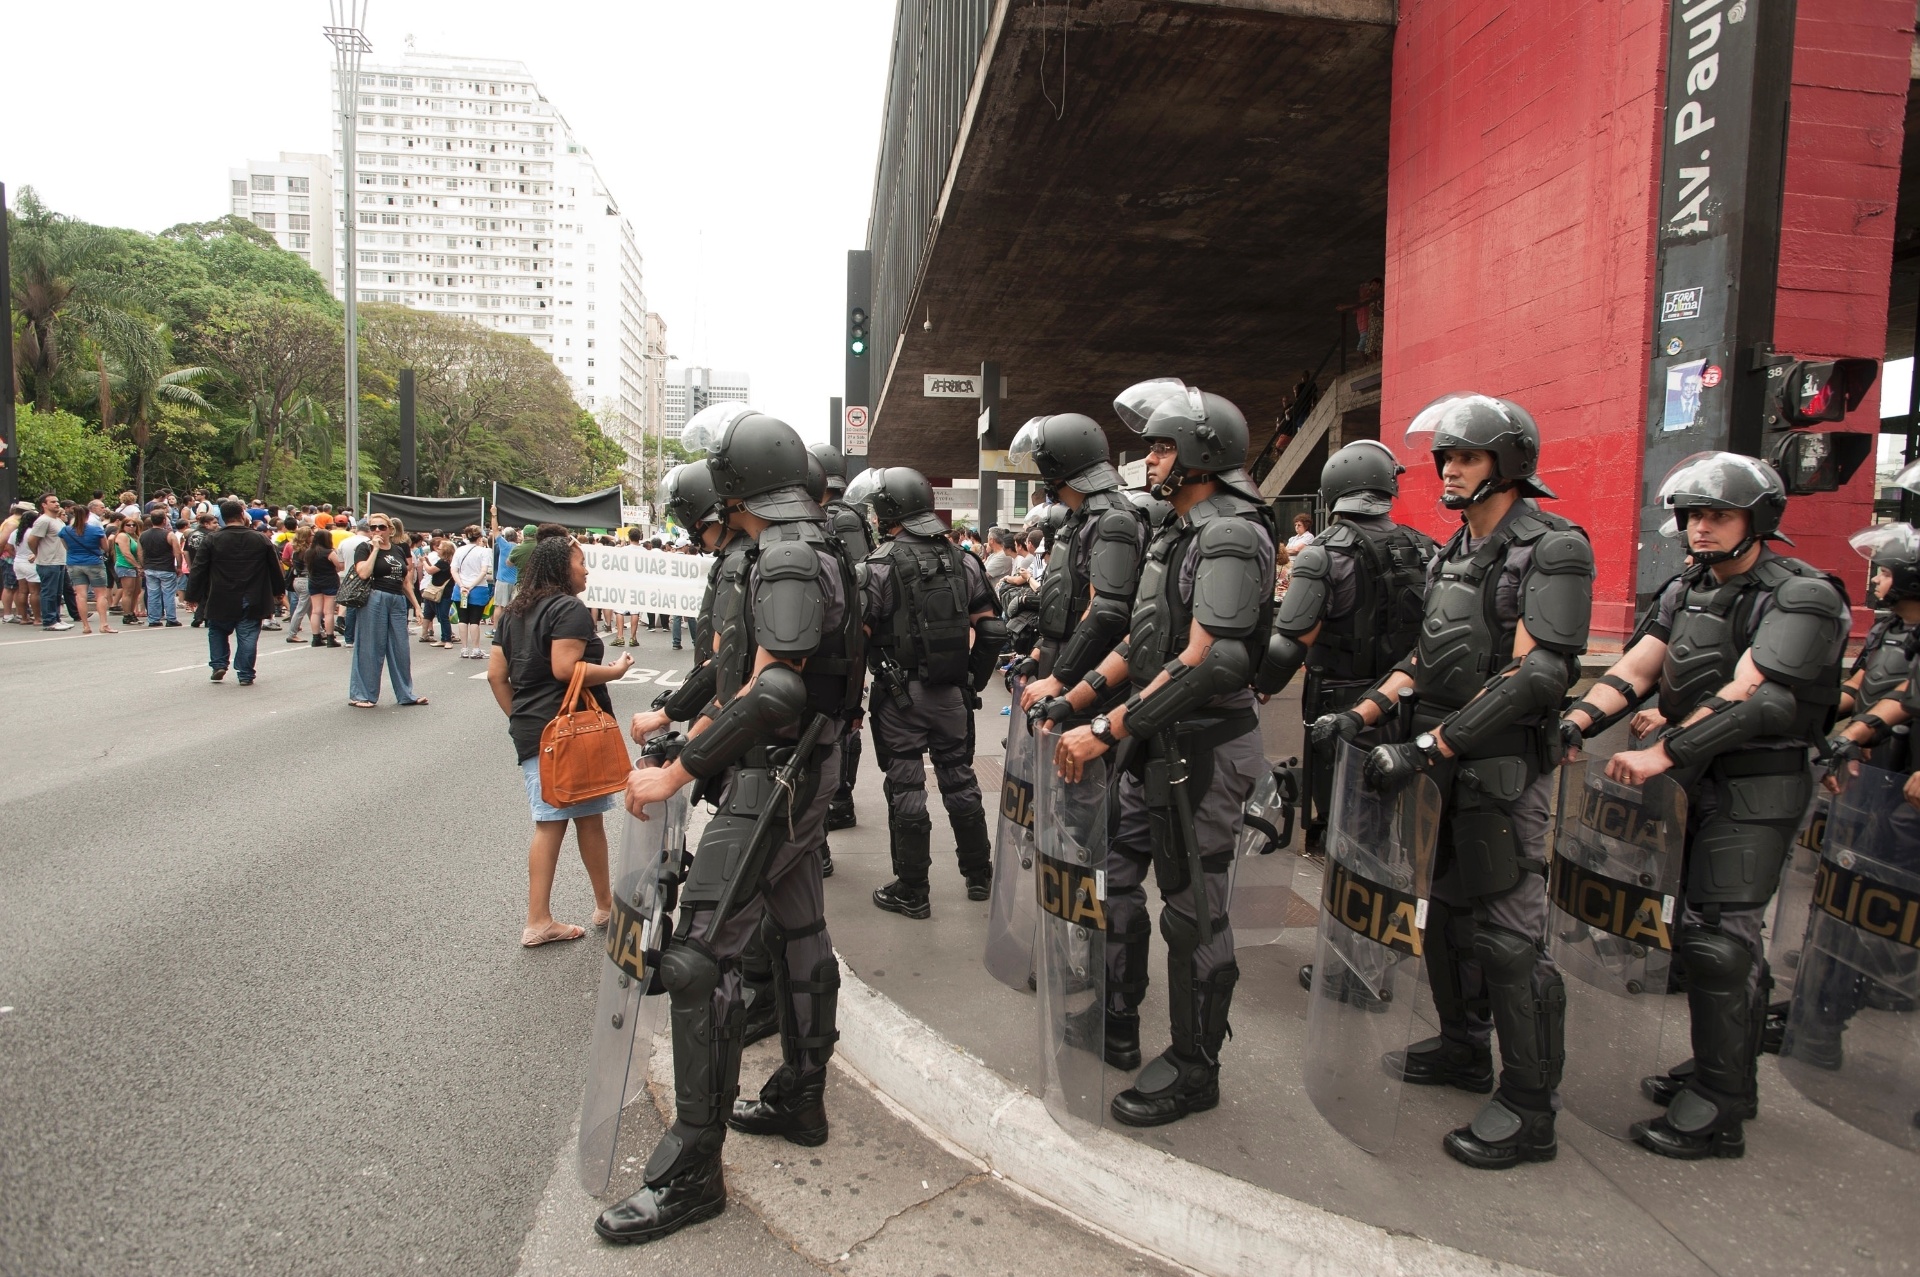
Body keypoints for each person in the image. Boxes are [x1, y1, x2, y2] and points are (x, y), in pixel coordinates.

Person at [596, 409, 859, 1245]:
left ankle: (691, 1172)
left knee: (696, 957)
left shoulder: (783, 552)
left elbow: (776, 691)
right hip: (796, 768)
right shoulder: (802, 545)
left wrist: (681, 765)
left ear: (738, 482)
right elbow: (745, 672)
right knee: (799, 922)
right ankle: (802, 1094)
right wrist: (690, 727)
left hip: (776, 773)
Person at [1320, 393, 1593, 1170]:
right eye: (1443, 458)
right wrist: (1365, 711)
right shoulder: (1455, 549)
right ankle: (1464, 1045)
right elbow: (1426, 657)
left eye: (1465, 458)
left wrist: (1434, 742)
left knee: (1510, 942)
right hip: (1441, 766)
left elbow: (1540, 672)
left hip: (1502, 767)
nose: (1448, 470)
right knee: (1445, 919)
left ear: (1506, 464)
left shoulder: (1552, 546)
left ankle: (1530, 1107)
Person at [1563, 452, 1845, 1160]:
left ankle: (1720, 1107)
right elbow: (1636, 669)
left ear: (1759, 518)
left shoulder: (1801, 593)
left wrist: (1668, 751)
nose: (1700, 528)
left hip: (1760, 778)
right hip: (1698, 779)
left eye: (1717, 514)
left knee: (1721, 939)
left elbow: (1757, 693)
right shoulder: (1686, 590)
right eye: (1692, 515)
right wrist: (1573, 723)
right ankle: (1727, 1071)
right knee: (1704, 933)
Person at [1038, 378, 1275, 1127]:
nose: (1149, 459)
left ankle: (1195, 1064)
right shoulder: (1176, 528)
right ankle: (1119, 1018)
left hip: (1202, 749)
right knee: (1115, 878)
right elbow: (1145, 647)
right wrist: (1075, 698)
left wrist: (1108, 729)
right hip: (1155, 739)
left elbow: (1213, 660)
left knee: (1193, 909)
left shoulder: (1232, 532)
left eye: (1164, 446)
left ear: (1204, 454)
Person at [1260, 440, 1436, 855]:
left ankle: (1356, 897)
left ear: (1333, 488)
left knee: (1349, 817)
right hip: (1408, 698)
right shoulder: (1427, 546)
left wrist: (1261, 682)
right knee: (1401, 814)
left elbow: (1290, 643)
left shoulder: (1323, 554)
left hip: (1340, 701)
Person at [848, 467, 1002, 916]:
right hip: (953, 695)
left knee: (907, 787)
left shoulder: (875, 566)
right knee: (960, 779)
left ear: (890, 512)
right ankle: (979, 875)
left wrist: (848, 707)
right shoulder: (965, 560)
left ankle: (913, 890)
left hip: (899, 698)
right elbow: (991, 630)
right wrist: (970, 680)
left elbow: (857, 645)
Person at [487, 535, 627, 947]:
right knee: (566, 822)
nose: (586, 569)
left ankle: (601, 903)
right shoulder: (569, 608)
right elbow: (567, 668)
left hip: (536, 728)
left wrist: (521, 718)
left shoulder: (513, 612)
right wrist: (615, 671)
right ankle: (543, 918)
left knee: (570, 818)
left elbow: (498, 675)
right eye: (581, 562)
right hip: (569, 730)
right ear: (562, 568)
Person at [810, 442, 877, 834]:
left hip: (839, 634)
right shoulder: (847, 516)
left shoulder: (842, 519)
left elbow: (858, 579)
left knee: (842, 718)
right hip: (843, 633)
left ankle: (840, 798)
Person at [181, 499, 287, 686]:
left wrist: (192, 595)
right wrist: (279, 591)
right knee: (247, 634)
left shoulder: (212, 539)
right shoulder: (260, 539)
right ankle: (245, 673)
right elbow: (274, 568)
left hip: (221, 593)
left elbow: (199, 568)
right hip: (252, 594)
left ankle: (219, 663)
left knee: (217, 630)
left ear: (222, 517)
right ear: (241, 515)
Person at [347, 515, 427, 708]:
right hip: (374, 597)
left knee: (401, 648)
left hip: (397, 599)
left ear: (390, 529)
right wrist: (374, 548)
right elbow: (364, 573)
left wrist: (416, 606)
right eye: (372, 527)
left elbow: (405, 581)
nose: (376, 531)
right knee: (370, 647)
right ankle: (362, 695)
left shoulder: (398, 549)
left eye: (381, 527)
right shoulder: (364, 548)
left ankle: (406, 694)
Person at [59, 504, 115, 634]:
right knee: (100, 594)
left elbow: (66, 547)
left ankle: (85, 626)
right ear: (87, 515)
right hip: (94, 562)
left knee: (80, 595)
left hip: (74, 563)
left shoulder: (65, 530)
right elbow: (105, 548)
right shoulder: (96, 530)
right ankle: (103, 624)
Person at [26, 493, 72, 631]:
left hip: (59, 561)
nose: (57, 504)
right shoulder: (43, 520)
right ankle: (49, 620)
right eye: (52, 502)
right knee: (49, 592)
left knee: (58, 593)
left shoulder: (58, 520)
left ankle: (56, 618)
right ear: (44, 505)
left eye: (57, 501)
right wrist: (37, 553)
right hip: (48, 562)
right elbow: (32, 540)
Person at [452, 525, 494, 658]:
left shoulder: (459, 550)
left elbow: (454, 570)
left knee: (462, 618)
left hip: (460, 588)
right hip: (478, 589)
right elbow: (483, 571)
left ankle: (464, 649)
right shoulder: (484, 551)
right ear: (480, 537)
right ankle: (476, 649)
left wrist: (462, 585)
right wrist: (471, 586)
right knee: (475, 620)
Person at [305, 530, 343, 647]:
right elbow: (340, 566)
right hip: (329, 582)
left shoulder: (309, 552)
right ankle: (330, 637)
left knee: (316, 611)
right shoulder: (329, 552)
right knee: (328, 612)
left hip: (314, 581)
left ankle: (316, 637)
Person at [335, 520, 370, 646]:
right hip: (365, 577)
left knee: (351, 606)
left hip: (348, 577)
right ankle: (361, 636)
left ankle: (349, 638)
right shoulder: (368, 543)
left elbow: (340, 564)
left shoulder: (344, 542)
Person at [111, 513, 144, 623]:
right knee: (128, 591)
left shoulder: (134, 537)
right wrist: (137, 566)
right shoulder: (122, 536)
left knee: (136, 591)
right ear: (123, 526)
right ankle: (127, 615)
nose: (131, 527)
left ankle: (132, 613)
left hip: (134, 567)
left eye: (133, 525)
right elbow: (126, 553)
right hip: (125, 566)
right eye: (128, 525)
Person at [282, 526, 313, 643]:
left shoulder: (293, 549)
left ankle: (320, 631)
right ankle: (292, 633)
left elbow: (285, 559)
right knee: (301, 608)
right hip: (307, 580)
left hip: (297, 579)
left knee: (310, 607)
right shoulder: (308, 551)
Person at [492, 524, 520, 623]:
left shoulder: (503, 545)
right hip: (516, 582)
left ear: (505, 537)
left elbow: (495, 530)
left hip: (502, 581)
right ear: (516, 537)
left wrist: (494, 515)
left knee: (499, 606)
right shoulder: (519, 548)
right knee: (514, 607)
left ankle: (496, 630)